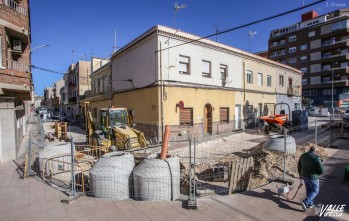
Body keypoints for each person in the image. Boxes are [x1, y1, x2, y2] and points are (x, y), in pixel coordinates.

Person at [297, 145, 324, 211]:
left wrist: (300, 174)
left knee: (308, 189)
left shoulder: (303, 155)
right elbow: (321, 170)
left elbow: (299, 165)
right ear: (315, 151)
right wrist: (319, 173)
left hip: (304, 176)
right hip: (313, 177)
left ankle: (310, 203)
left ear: (310, 149)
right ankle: (305, 202)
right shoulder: (316, 157)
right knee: (315, 190)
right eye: (317, 151)